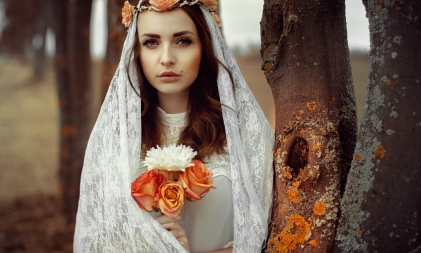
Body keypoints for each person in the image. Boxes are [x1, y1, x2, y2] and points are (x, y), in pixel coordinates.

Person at [73, 0, 274, 252]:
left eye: (182, 41)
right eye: (152, 42)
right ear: (137, 51)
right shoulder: (115, 139)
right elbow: (96, 239)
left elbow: (270, 235)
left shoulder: (244, 131)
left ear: (205, 46)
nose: (167, 58)